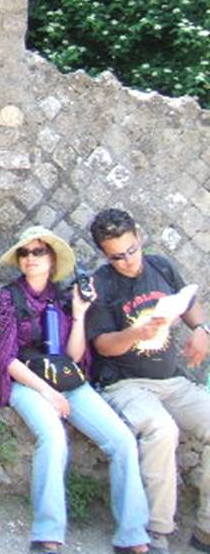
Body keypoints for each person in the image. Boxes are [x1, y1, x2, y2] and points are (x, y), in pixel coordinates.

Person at [0, 225, 151, 554]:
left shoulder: (62, 297)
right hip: (25, 381)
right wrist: (46, 393)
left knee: (122, 441)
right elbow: (3, 357)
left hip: (66, 380)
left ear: (51, 258)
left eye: (38, 251)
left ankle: (132, 536)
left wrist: (78, 315)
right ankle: (47, 534)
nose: (31, 258)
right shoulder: (9, 297)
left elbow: (74, 357)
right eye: (25, 253)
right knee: (53, 436)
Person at [86, 208, 210, 553]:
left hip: (172, 380)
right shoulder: (102, 284)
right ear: (104, 254)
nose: (127, 260)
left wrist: (201, 329)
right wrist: (136, 332)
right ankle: (156, 532)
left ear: (139, 237)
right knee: (161, 430)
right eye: (117, 256)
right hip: (125, 383)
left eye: (131, 250)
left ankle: (206, 530)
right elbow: (103, 346)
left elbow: (187, 300)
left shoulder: (161, 266)